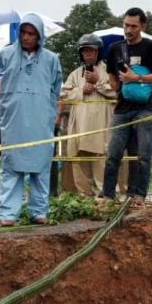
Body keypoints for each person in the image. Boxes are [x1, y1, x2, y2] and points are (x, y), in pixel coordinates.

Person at [0, 14, 61, 226]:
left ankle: (38, 211)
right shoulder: (5, 55)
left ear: (39, 36)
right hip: (13, 119)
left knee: (40, 165)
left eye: (31, 33)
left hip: (41, 119)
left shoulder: (51, 59)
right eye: (23, 32)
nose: (26, 37)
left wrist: (48, 110)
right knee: (11, 166)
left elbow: (56, 88)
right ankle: (8, 214)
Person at [99, 7, 152, 206]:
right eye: (126, 25)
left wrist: (136, 78)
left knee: (143, 155)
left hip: (145, 108)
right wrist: (118, 85)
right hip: (121, 109)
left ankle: (138, 196)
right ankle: (107, 196)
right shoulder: (115, 48)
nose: (128, 30)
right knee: (113, 154)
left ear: (142, 26)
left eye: (134, 26)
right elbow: (111, 74)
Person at [59, 33, 115, 197]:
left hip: (101, 124)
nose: (88, 54)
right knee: (79, 159)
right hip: (80, 125)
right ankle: (85, 194)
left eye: (91, 50)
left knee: (101, 158)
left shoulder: (109, 71)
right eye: (84, 51)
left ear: (98, 52)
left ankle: (105, 195)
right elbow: (63, 95)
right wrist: (81, 90)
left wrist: (98, 82)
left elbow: (116, 92)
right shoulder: (75, 74)